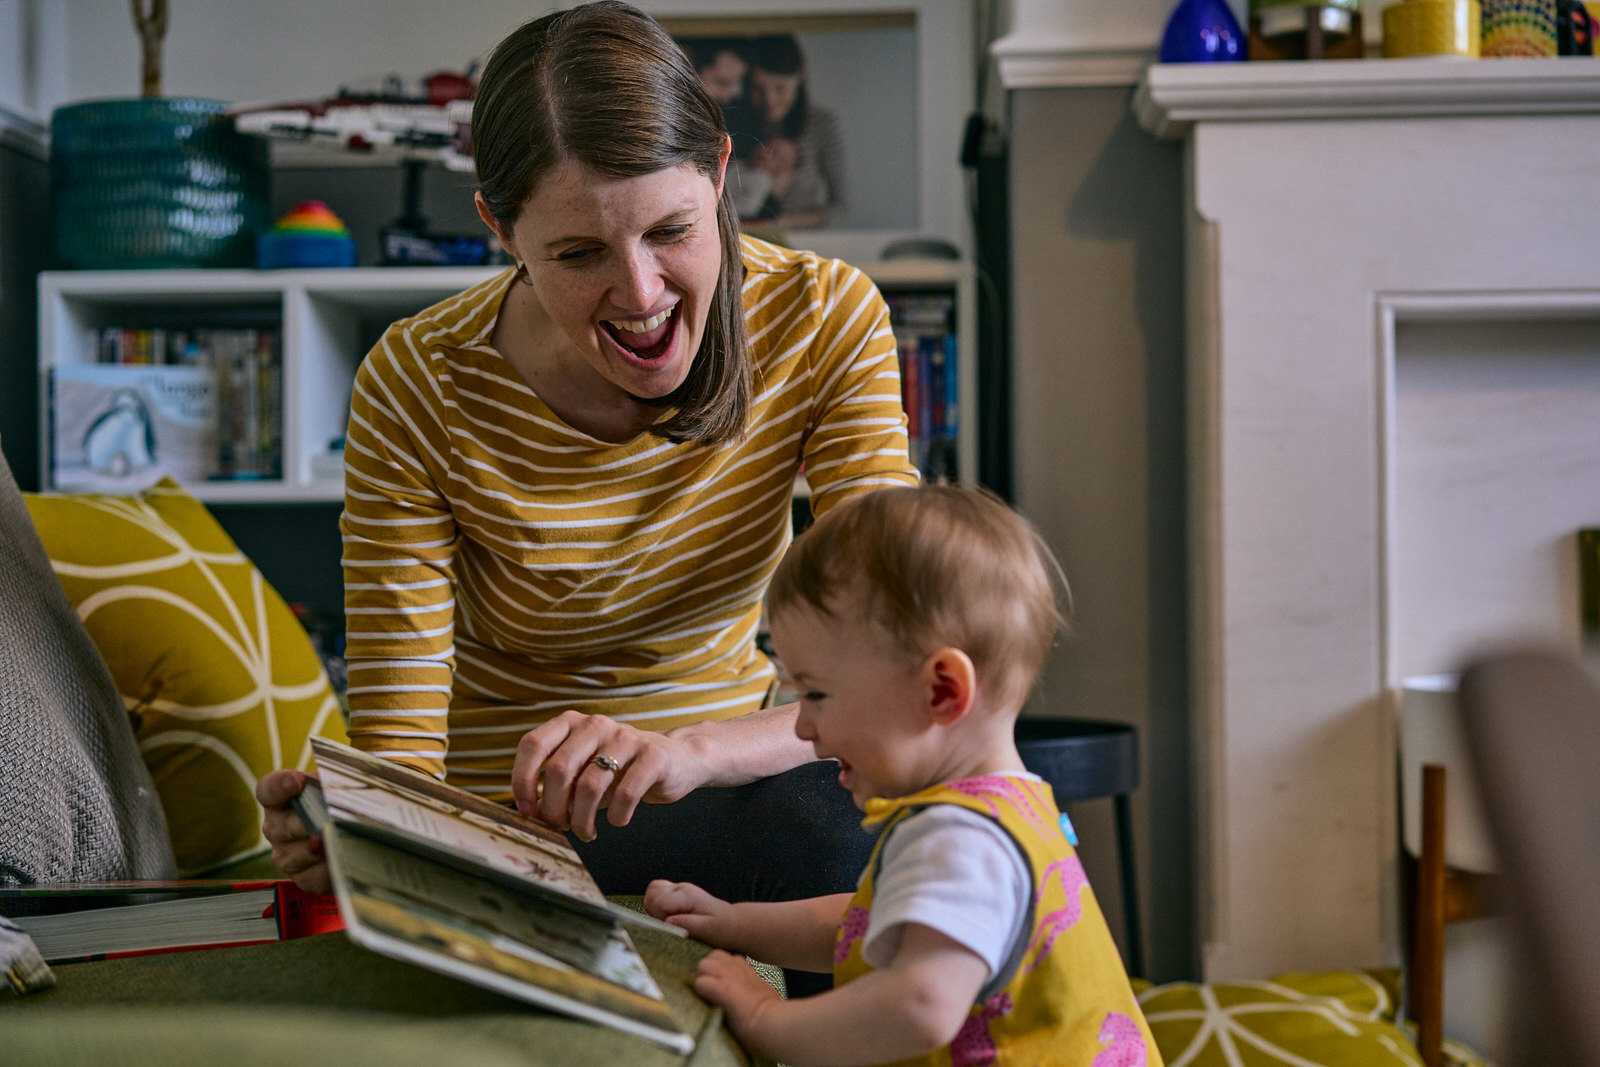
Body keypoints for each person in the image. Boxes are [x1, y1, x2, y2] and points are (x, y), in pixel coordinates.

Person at [254, 1, 918, 976]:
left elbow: (888, 668)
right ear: (500, 230)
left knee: (858, 838)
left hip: (742, 782)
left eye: (671, 230)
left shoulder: (822, 319)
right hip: (515, 826)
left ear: (721, 173)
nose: (642, 294)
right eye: (577, 253)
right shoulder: (419, 379)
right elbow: (400, 741)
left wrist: (688, 751)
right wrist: (357, 825)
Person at [644, 484, 1162, 1067]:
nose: (803, 728)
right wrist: (738, 923)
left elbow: (919, 1005)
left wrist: (768, 1018)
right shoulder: (1013, 809)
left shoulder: (958, 836)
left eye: (816, 693)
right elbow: (867, 920)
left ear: (941, 690)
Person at [728, 34, 846, 230]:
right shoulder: (734, 121)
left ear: (800, 76)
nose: (770, 101)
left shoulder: (821, 125)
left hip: (808, 240)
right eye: (758, 89)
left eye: (780, 88)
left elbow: (841, 208)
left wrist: (775, 224)